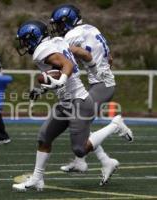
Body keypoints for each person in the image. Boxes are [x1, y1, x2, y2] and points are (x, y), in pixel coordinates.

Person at [12, 20, 132, 192]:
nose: (23, 44)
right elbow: (81, 58)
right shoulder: (59, 41)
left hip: (79, 102)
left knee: (80, 149)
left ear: (33, 38)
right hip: (67, 101)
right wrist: (43, 89)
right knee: (44, 137)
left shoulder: (41, 50)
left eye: (24, 40)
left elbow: (66, 66)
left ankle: (114, 125)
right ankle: (37, 179)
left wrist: (60, 80)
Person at [50, 4, 133, 185]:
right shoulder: (91, 28)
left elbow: (83, 55)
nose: (57, 27)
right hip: (103, 83)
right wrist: (97, 70)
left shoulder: (71, 35)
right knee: (77, 118)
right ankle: (98, 161)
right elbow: (109, 58)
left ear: (67, 21)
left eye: (58, 23)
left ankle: (115, 125)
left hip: (102, 86)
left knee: (79, 125)